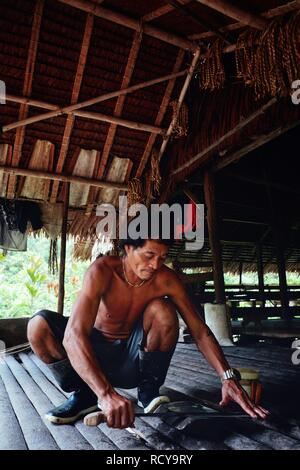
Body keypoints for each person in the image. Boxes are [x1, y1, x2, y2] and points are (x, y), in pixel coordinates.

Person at [27, 227, 269, 429]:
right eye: (149, 254)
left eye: (162, 257)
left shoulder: (166, 279)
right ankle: (85, 394)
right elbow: (73, 336)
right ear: (129, 248)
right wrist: (105, 394)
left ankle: (149, 391)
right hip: (92, 358)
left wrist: (227, 378)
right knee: (37, 325)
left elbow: (200, 331)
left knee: (163, 310)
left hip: (131, 363)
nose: (155, 264)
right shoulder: (102, 271)